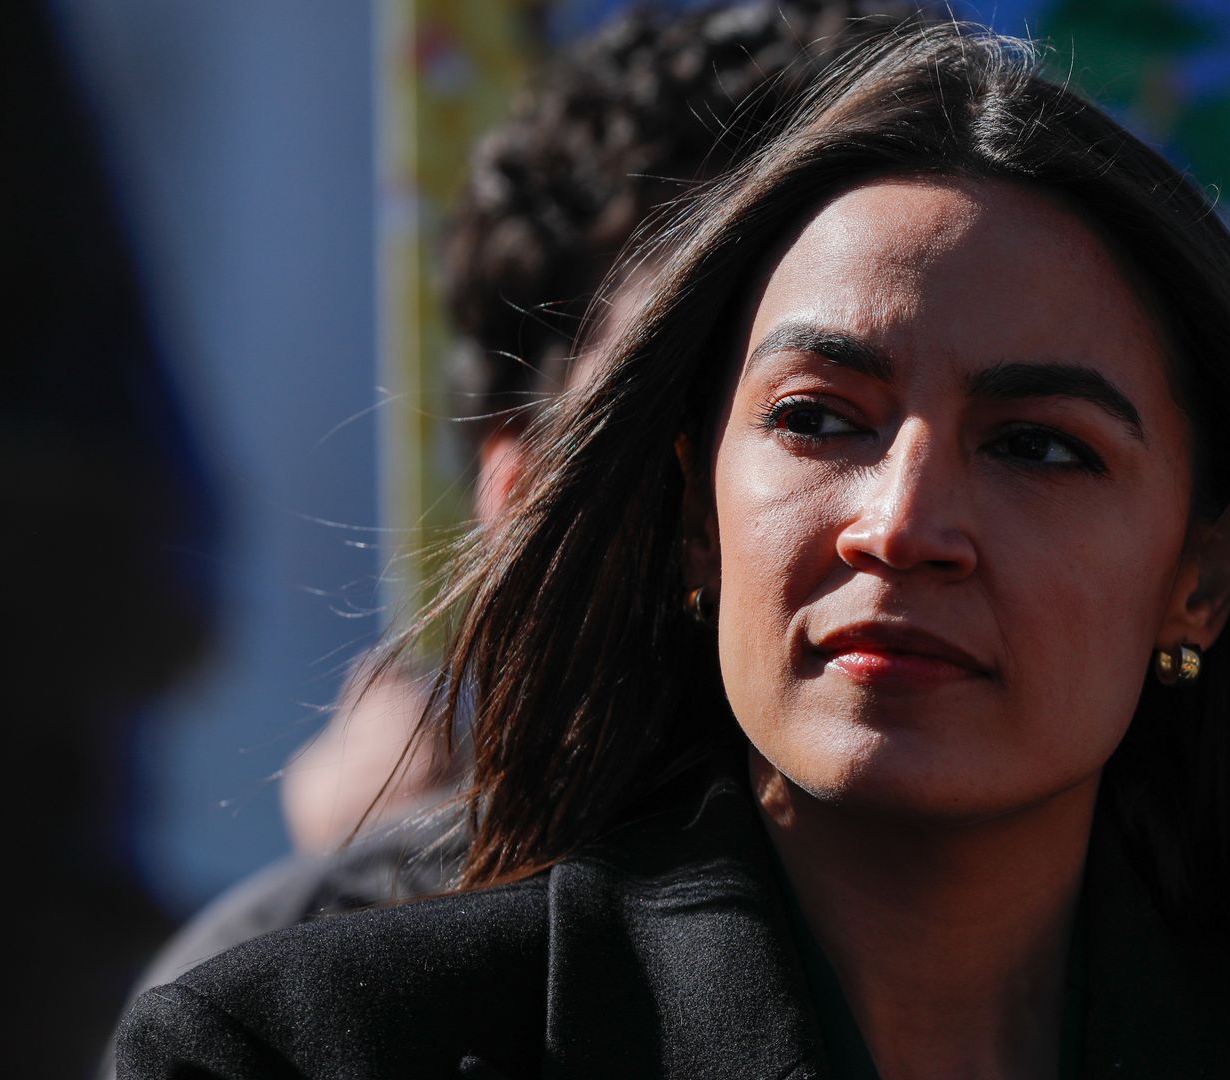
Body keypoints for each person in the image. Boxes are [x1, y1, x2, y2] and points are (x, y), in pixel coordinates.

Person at [114, 19, 1230, 1078]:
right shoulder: (303, 1056)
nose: (903, 522)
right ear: (688, 513)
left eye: (1040, 445)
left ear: (1202, 577)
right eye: (819, 418)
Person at [115, 0, 922, 1008]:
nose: (896, 519)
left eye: (1025, 443)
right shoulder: (275, 996)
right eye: (796, 413)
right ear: (523, 497)